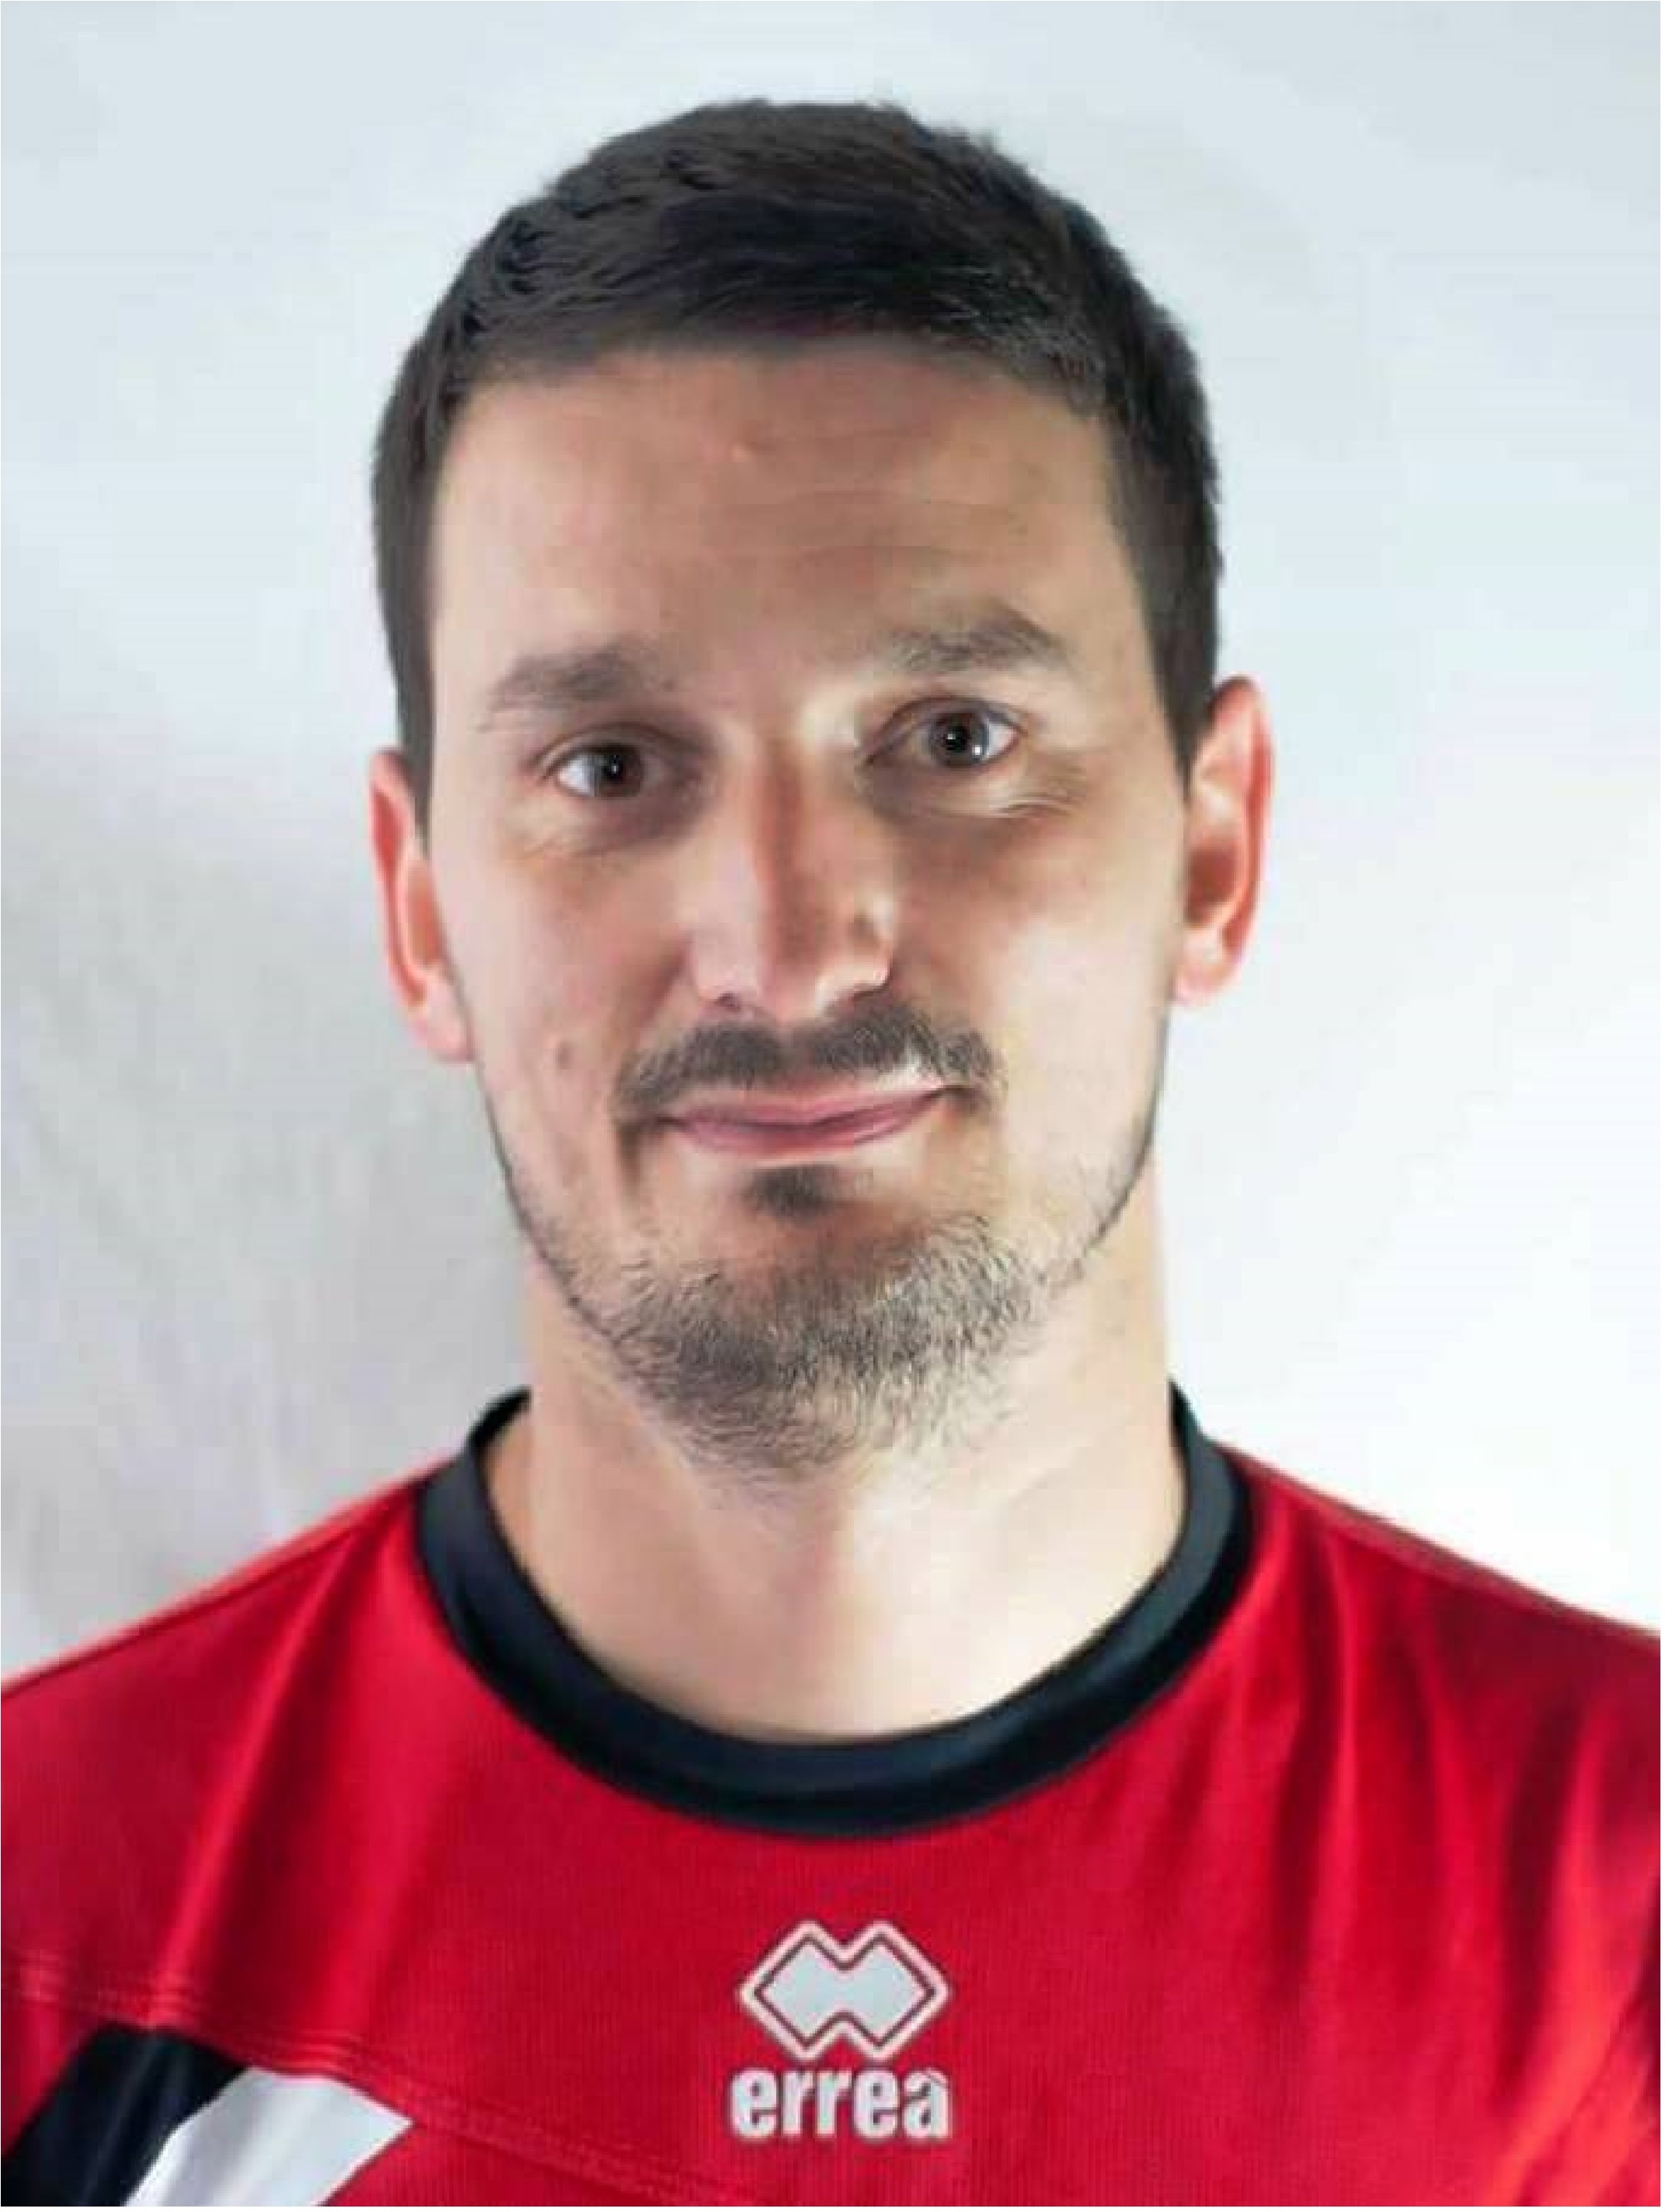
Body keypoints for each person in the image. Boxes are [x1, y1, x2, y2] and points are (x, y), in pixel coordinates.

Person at [3, 96, 1656, 2208]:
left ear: (1212, 851)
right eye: (611, 766)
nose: (785, 945)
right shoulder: (46, 1929)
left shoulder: (1627, 1917)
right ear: (421, 917)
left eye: (955, 739)